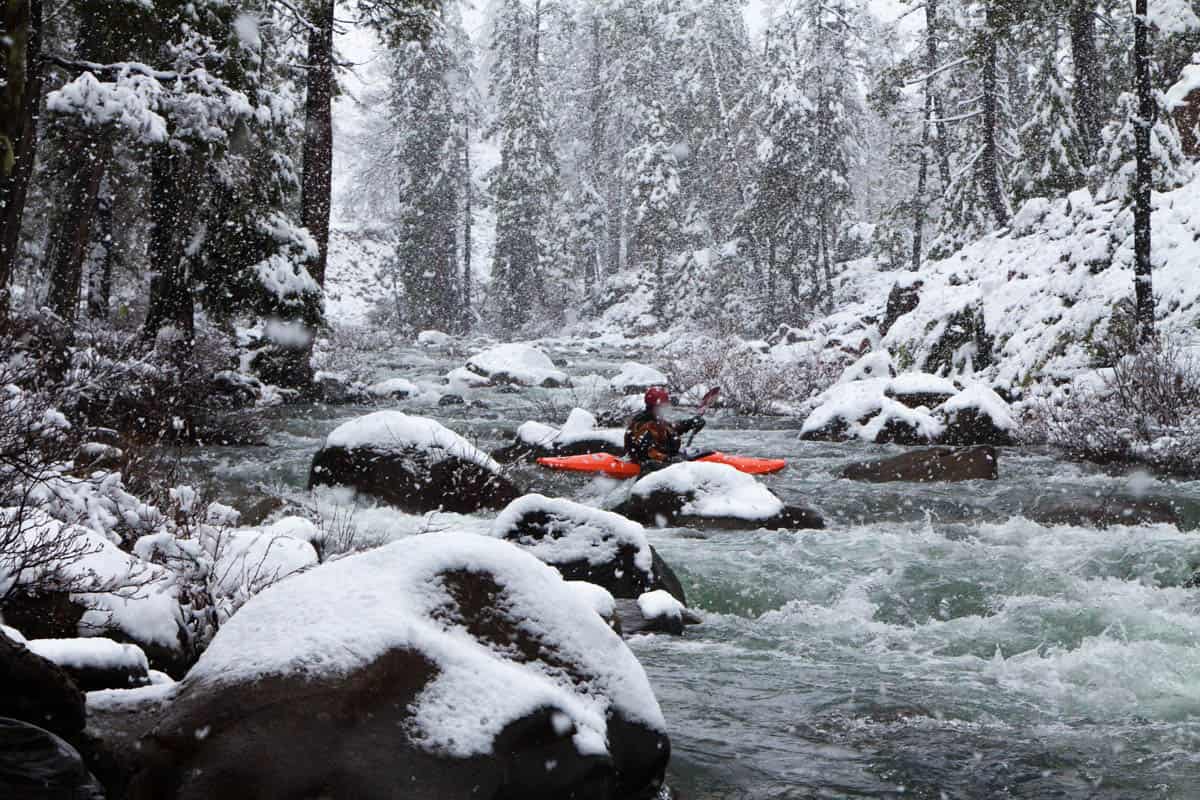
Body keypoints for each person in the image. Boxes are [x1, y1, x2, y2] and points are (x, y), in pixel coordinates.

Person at [624, 387, 706, 467]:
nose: (665, 409)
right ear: (655, 407)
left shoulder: (657, 420)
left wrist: (690, 423)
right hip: (649, 468)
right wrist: (669, 459)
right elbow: (648, 453)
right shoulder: (644, 425)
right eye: (663, 407)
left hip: (663, 462)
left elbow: (673, 428)